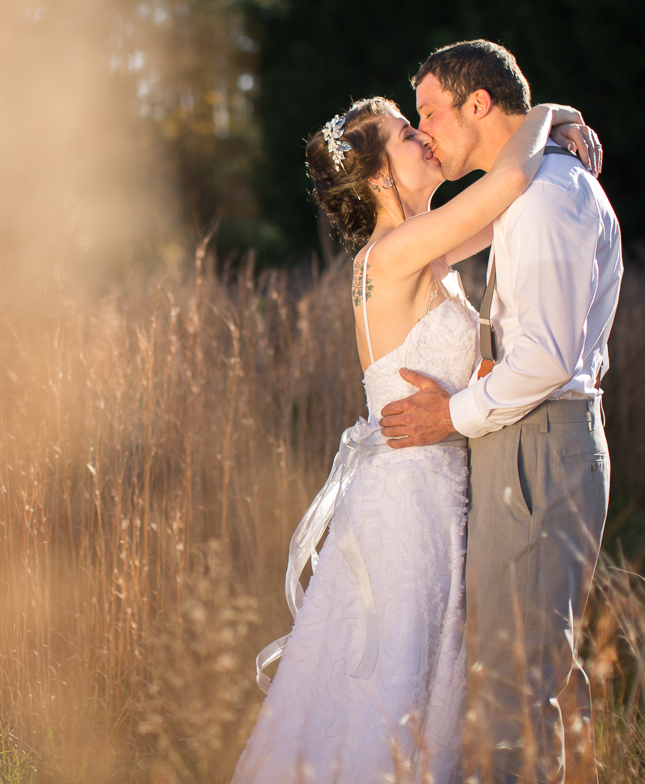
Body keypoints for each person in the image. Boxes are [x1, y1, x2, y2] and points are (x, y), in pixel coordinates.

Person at [232, 75, 601, 783]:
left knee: (434, 688)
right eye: (408, 133)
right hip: (404, 508)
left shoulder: (430, 252)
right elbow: (509, 180)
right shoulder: (386, 256)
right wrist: (554, 115)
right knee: (390, 688)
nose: (425, 136)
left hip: (445, 496)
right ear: (377, 174)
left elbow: (514, 196)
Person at [379, 40, 621, 784]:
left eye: (430, 113)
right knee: (530, 669)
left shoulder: (547, 196)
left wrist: (454, 414)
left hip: (538, 446)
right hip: (527, 444)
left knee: (518, 683)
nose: (424, 133)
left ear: (478, 104)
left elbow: (546, 360)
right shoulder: (532, 186)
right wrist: (557, 121)